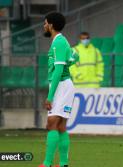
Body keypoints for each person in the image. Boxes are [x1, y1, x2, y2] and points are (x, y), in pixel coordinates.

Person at [39, 12, 75, 167]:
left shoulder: (58, 43)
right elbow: (74, 56)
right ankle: (63, 163)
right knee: (60, 126)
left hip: (61, 85)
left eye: (46, 23)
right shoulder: (61, 42)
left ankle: (46, 164)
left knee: (52, 123)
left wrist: (50, 96)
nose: (44, 25)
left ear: (52, 25)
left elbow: (58, 71)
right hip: (63, 85)